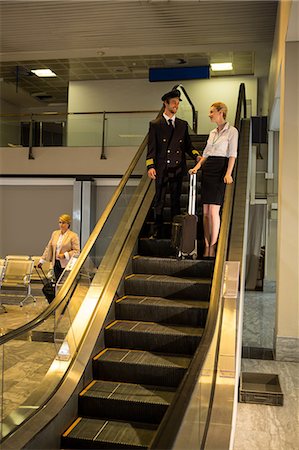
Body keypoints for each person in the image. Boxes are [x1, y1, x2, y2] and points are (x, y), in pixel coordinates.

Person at [146, 88, 200, 238]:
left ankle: (175, 232)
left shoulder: (182, 124)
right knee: (159, 201)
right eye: (174, 102)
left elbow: (188, 146)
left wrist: (196, 155)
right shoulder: (155, 124)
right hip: (162, 169)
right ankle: (157, 231)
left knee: (176, 201)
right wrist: (150, 166)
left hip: (177, 168)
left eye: (178, 103)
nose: (176, 105)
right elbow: (151, 148)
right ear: (166, 103)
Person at [189, 102, 238, 258]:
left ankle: (213, 245)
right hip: (209, 168)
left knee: (213, 211)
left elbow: (232, 154)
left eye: (212, 112)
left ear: (221, 112)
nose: (209, 114)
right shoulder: (212, 133)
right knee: (205, 212)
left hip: (220, 168)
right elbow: (206, 153)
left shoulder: (232, 131)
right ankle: (206, 244)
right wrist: (197, 167)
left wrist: (228, 173)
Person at [38, 214, 80, 281]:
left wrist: (64, 255)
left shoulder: (73, 235)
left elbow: (77, 251)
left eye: (63, 223)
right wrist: (42, 261)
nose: (61, 225)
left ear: (68, 224)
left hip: (67, 264)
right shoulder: (55, 233)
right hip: (56, 263)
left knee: (64, 283)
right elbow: (48, 248)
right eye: (60, 222)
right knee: (57, 282)